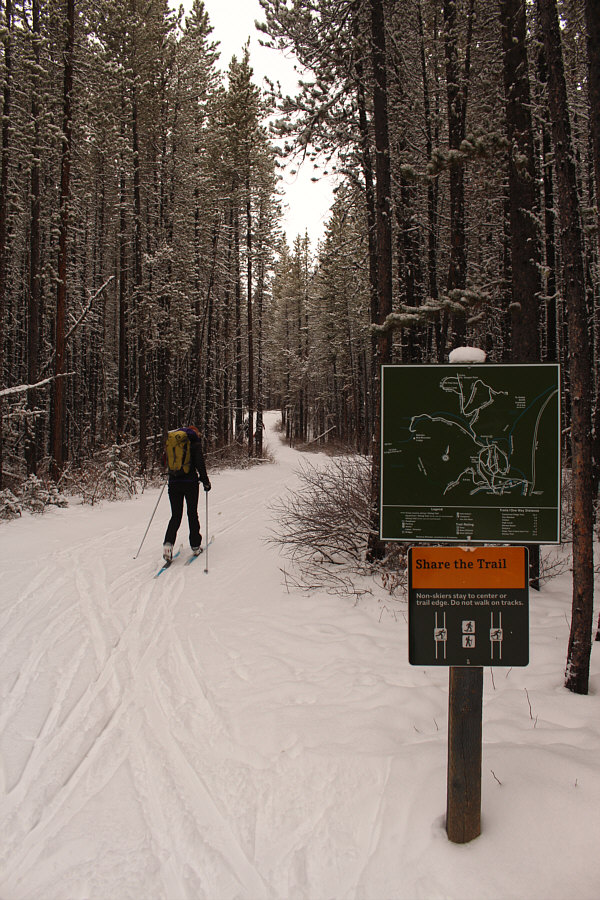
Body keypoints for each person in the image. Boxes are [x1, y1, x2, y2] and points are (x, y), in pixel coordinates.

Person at [163, 425, 211, 561]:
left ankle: (168, 545)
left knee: (176, 515)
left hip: (173, 483)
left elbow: (165, 460)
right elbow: (199, 463)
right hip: (190, 482)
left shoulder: (174, 441)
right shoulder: (193, 441)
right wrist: (205, 480)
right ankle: (195, 546)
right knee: (192, 513)